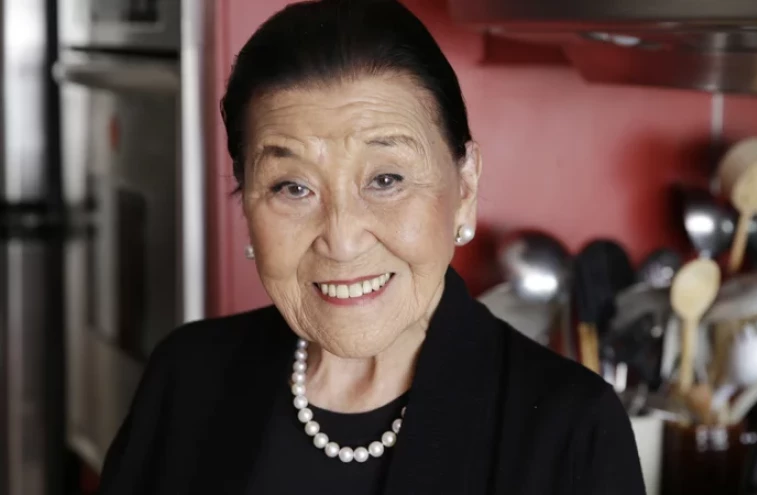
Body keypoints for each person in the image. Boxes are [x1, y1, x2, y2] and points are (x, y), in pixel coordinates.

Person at [96, 1, 646, 494]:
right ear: (247, 202)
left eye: (386, 180)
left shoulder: (570, 431)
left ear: (465, 189)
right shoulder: (187, 377)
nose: (342, 240)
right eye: (293, 187)